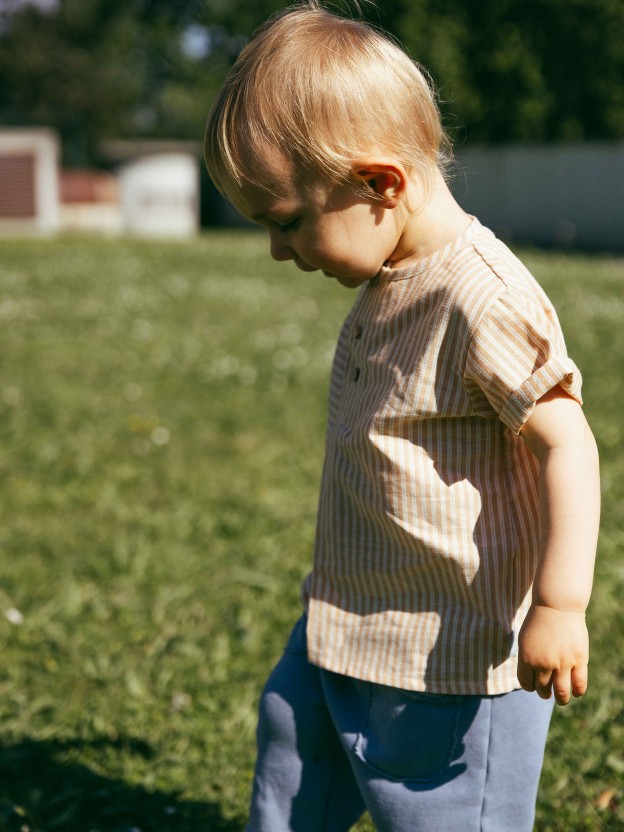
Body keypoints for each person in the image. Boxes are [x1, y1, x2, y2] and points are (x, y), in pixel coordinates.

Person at [204, 3, 601, 831]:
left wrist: (559, 606)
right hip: (343, 617)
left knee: (441, 813)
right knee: (289, 769)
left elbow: (568, 444)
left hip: (450, 656)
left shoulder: (483, 297)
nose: (279, 252)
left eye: (287, 223)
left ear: (380, 184)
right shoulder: (392, 274)